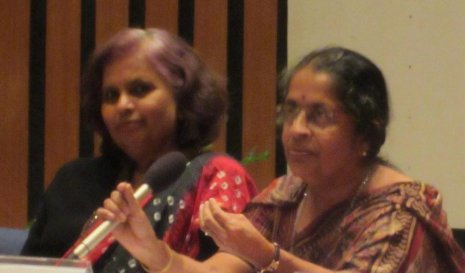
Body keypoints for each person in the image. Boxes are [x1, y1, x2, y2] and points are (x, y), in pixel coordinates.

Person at [96, 46, 465, 273]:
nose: (297, 130)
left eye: (320, 115)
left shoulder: (403, 212)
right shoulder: (285, 196)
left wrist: (269, 257)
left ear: (366, 133)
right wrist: (154, 252)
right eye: (291, 112)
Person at [21, 28, 258, 273]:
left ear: (182, 97)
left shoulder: (216, 177)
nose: (122, 105)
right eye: (111, 95)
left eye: (139, 89)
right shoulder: (72, 182)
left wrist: (156, 255)